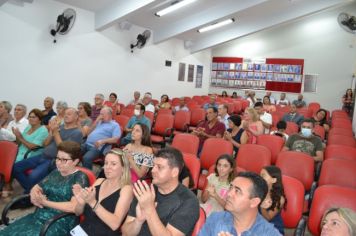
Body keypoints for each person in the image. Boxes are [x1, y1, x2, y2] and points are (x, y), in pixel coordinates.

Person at [0, 141, 89, 235]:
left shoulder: (80, 178)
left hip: (60, 220)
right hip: (39, 215)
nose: (58, 163)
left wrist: (45, 202)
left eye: (64, 160)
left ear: (76, 161)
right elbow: (37, 186)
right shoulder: (56, 172)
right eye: (57, 158)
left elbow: (73, 207)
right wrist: (34, 196)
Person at [121, 147, 200, 236]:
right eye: (153, 166)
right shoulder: (145, 191)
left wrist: (149, 209)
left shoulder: (188, 201)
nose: (153, 171)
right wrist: (138, 221)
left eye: (159, 167)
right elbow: (125, 232)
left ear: (174, 172)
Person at [13, 108, 83, 194]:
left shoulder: (77, 132)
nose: (66, 115)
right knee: (15, 168)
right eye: (65, 113)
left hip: (53, 160)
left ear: (76, 117)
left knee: (32, 177)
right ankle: (32, 191)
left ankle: (29, 193)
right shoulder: (59, 127)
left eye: (69, 114)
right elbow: (45, 144)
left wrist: (55, 132)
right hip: (42, 155)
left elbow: (64, 149)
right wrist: (51, 132)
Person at [72, 149, 133, 236]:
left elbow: (115, 224)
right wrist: (81, 202)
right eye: (106, 163)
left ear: (123, 168)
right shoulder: (99, 181)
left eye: (113, 164)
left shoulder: (126, 189)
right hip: (81, 231)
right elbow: (78, 213)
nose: (108, 167)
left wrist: (93, 202)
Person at [198, 172, 281, 235]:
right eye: (231, 188)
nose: (229, 194)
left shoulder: (269, 233)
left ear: (254, 202)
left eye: (237, 191)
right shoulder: (215, 219)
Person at [260, 166, 286, 235]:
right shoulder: (258, 190)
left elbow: (268, 218)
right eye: (260, 175)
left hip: (273, 227)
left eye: (263, 175)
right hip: (257, 224)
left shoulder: (280, 199)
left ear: (274, 180)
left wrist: (262, 208)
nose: (260, 178)